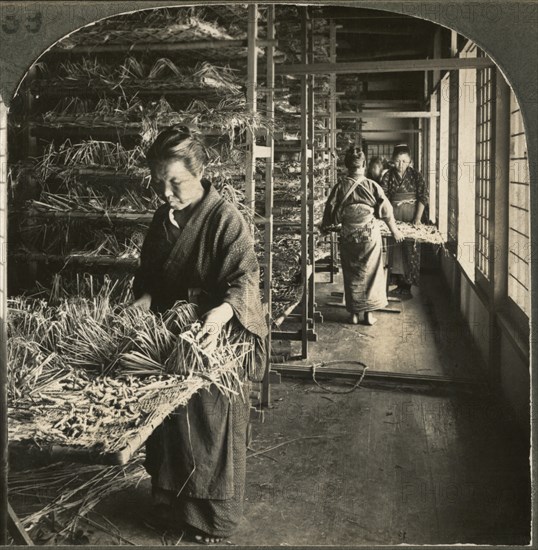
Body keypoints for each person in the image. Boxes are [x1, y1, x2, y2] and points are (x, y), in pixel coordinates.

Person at [131, 125, 267, 544]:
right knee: (168, 423)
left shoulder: (226, 218)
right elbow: (151, 273)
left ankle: (211, 519)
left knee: (209, 425)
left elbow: (245, 277)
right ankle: (170, 504)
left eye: (176, 183)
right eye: (159, 182)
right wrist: (144, 299)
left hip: (213, 334)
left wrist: (221, 314)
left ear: (201, 172)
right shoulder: (162, 217)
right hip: (169, 334)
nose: (166, 193)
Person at [321, 145, 403, 325]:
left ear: (346, 165)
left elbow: (330, 213)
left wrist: (325, 228)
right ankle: (368, 315)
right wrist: (394, 231)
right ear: (364, 164)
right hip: (369, 236)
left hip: (349, 236)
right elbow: (387, 212)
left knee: (352, 274)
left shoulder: (340, 187)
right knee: (372, 273)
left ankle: (353, 314)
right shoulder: (372, 186)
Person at [381, 144, 429, 297]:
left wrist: (417, 218)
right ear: (392, 161)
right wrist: (387, 219)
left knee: (410, 250)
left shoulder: (416, 175)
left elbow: (423, 197)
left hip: (411, 217)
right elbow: (382, 198)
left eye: (404, 161)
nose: (400, 165)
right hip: (393, 218)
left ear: (410, 161)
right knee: (395, 250)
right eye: (397, 161)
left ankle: (407, 287)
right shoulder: (387, 175)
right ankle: (396, 283)